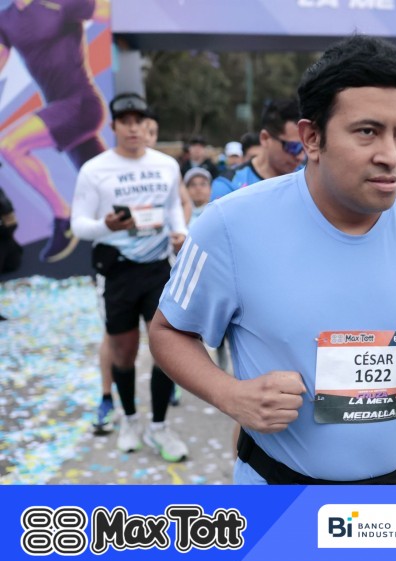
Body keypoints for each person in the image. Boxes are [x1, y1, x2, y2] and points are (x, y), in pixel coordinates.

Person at [148, 35, 396, 485]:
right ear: (312, 138)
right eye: (367, 131)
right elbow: (168, 331)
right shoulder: (230, 224)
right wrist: (230, 395)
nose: (391, 156)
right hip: (276, 491)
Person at [70, 92, 189, 461]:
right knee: (123, 351)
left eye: (140, 120)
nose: (133, 128)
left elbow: (173, 206)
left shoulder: (166, 164)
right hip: (117, 269)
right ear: (114, 126)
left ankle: (159, 426)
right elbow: (79, 224)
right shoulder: (95, 169)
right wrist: (106, 225)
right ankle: (130, 419)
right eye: (126, 121)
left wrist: (181, 232)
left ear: (147, 125)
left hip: (157, 268)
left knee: (165, 348)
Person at [0, 0, 111, 263]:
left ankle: (63, 215)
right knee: (109, 187)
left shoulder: (60, 2)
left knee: (9, 145)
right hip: (60, 111)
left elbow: (109, 11)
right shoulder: (5, 19)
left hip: (81, 104)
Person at [210, 99, 303, 201]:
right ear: (265, 138)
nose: (301, 157)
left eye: (305, 148)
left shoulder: (308, 181)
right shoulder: (229, 187)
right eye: (293, 147)